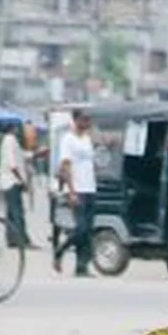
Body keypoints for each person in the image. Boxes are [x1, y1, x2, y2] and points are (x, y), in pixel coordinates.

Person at [53, 110, 97, 276]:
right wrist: (71, 191)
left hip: (90, 187)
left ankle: (81, 266)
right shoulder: (68, 140)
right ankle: (60, 251)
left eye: (88, 119)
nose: (87, 122)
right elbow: (65, 166)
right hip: (77, 189)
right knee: (81, 228)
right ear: (76, 120)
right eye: (84, 120)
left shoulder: (87, 139)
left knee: (88, 231)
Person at [0, 119, 31, 250]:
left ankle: (11, 240)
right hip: (12, 181)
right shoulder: (10, 140)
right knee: (17, 212)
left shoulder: (8, 140)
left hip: (7, 181)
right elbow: (13, 165)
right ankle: (22, 239)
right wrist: (22, 180)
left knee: (11, 213)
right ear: (13, 129)